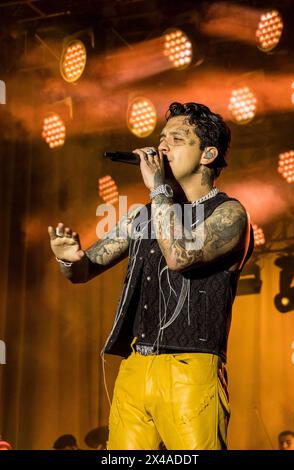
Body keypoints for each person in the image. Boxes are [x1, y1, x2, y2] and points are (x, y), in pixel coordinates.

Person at [48, 102, 253, 450]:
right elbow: (84, 270)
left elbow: (180, 256)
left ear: (208, 154)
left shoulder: (230, 213)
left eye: (177, 138)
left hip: (190, 368)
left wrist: (159, 189)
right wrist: (69, 259)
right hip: (135, 366)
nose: (162, 147)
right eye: (161, 139)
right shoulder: (144, 215)